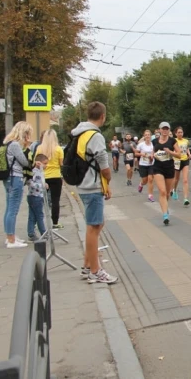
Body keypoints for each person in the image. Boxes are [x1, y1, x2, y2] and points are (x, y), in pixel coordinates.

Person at [73, 102, 117, 284]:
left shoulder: (79, 132)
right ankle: (95, 271)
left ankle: (87, 266)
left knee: (97, 225)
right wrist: (108, 180)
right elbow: (102, 162)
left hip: (84, 183)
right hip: (92, 185)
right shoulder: (95, 135)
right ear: (103, 117)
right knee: (93, 227)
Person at [2, 121, 32, 248]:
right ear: (23, 133)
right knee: (13, 209)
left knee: (9, 207)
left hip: (9, 178)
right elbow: (25, 162)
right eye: (27, 133)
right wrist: (27, 147)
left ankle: (10, 236)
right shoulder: (15, 145)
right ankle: (11, 240)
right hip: (15, 177)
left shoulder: (8, 143)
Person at [152, 122, 182, 225]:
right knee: (162, 191)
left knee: (168, 193)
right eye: (163, 129)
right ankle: (165, 214)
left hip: (169, 167)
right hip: (157, 168)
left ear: (169, 130)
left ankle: (165, 207)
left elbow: (179, 155)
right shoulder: (154, 141)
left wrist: (170, 152)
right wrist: (153, 156)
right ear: (159, 130)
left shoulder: (172, 141)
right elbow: (152, 154)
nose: (165, 131)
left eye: (167, 129)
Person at [36, 129, 64, 229]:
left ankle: (40, 223)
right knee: (55, 200)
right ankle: (55, 223)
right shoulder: (58, 149)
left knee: (40, 200)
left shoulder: (39, 148)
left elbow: (37, 163)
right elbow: (61, 164)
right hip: (56, 176)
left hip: (43, 177)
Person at [26, 153, 49, 242]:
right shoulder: (35, 171)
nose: (46, 165)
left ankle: (31, 233)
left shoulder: (39, 171)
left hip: (33, 196)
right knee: (39, 216)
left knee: (32, 216)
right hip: (36, 196)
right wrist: (42, 185)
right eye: (45, 163)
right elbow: (29, 182)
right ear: (38, 163)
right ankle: (43, 233)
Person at [171, 126, 191, 206]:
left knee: (185, 180)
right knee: (176, 179)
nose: (180, 134)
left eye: (181, 132)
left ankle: (186, 198)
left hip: (185, 160)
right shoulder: (173, 141)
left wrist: (189, 154)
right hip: (177, 161)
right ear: (175, 133)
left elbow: (187, 149)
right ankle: (174, 190)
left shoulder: (186, 141)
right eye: (178, 132)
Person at [135, 130, 156, 203]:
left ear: (150, 136)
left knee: (150, 179)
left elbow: (155, 153)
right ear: (144, 136)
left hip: (151, 164)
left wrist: (153, 156)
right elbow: (136, 154)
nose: (147, 136)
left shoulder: (153, 145)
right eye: (146, 135)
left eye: (149, 135)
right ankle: (141, 184)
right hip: (143, 164)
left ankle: (150, 195)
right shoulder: (141, 145)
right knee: (145, 180)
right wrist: (141, 154)